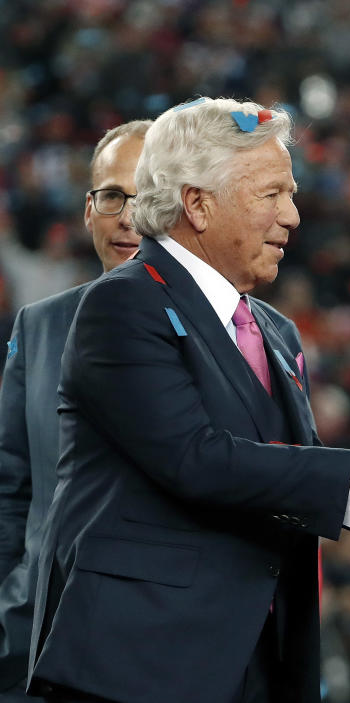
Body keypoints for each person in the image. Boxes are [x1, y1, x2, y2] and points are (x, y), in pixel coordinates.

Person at [25, 97, 350, 703]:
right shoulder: (121, 305)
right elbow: (195, 459)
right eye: (272, 195)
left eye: (293, 193)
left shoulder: (273, 330)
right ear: (198, 204)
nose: (293, 216)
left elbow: (283, 475)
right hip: (143, 665)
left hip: (261, 664)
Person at [0, 119, 151, 703]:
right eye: (112, 196)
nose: (126, 217)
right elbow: (12, 489)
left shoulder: (228, 334)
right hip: (34, 658)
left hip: (162, 658)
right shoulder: (38, 328)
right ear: (89, 210)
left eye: (145, 197)